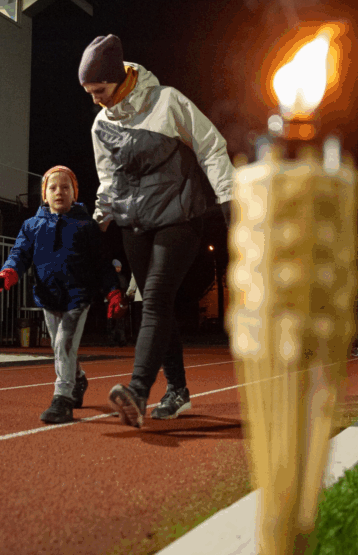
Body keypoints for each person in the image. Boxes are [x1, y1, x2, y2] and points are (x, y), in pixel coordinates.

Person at [80, 34, 234, 428]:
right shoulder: (101, 124)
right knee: (153, 304)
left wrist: (231, 200)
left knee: (157, 298)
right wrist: (97, 222)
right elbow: (108, 181)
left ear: (117, 78)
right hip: (135, 223)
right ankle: (178, 390)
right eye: (89, 92)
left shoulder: (167, 101)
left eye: (99, 90)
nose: (95, 99)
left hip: (179, 216)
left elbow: (211, 147)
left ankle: (137, 390)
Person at [0, 165, 126, 424]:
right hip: (48, 297)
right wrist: (7, 273)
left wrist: (113, 291)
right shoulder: (31, 225)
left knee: (63, 345)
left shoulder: (87, 226)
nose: (59, 191)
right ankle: (78, 379)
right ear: (44, 195)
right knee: (59, 346)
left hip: (78, 297)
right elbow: (19, 254)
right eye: (53, 187)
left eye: (66, 187)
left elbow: (101, 263)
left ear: (75, 193)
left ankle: (62, 399)